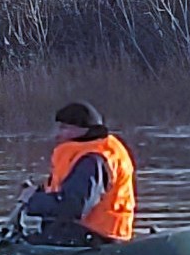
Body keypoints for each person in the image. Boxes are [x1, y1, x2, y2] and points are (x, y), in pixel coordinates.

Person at [17, 101, 134, 247]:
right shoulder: (84, 154)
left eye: (64, 128)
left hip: (93, 238)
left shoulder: (93, 160)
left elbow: (73, 206)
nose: (57, 135)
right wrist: (38, 193)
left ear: (84, 129)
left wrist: (33, 201)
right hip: (81, 233)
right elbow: (65, 192)